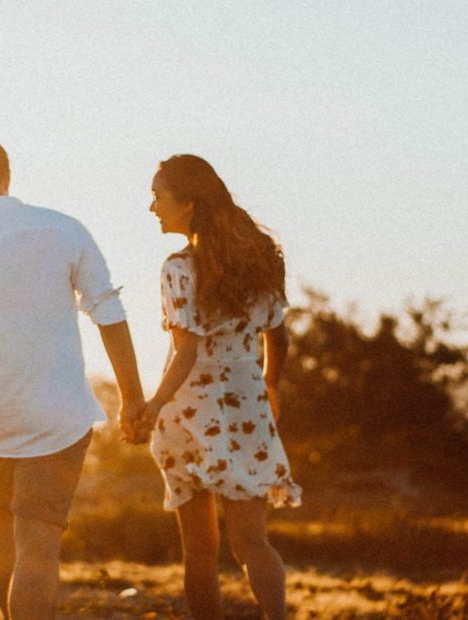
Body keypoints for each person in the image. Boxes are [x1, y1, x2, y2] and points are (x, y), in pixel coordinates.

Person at [0, 136, 144, 620]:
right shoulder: (62, 229)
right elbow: (108, 310)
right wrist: (132, 397)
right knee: (37, 542)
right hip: (55, 412)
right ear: (7, 176)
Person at [134, 154, 301, 620]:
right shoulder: (259, 258)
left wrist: (153, 404)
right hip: (247, 405)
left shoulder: (178, 268)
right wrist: (271, 386)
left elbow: (186, 351)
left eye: (158, 197)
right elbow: (278, 335)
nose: (152, 207)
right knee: (251, 541)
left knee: (200, 551)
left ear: (187, 203)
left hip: (189, 410)